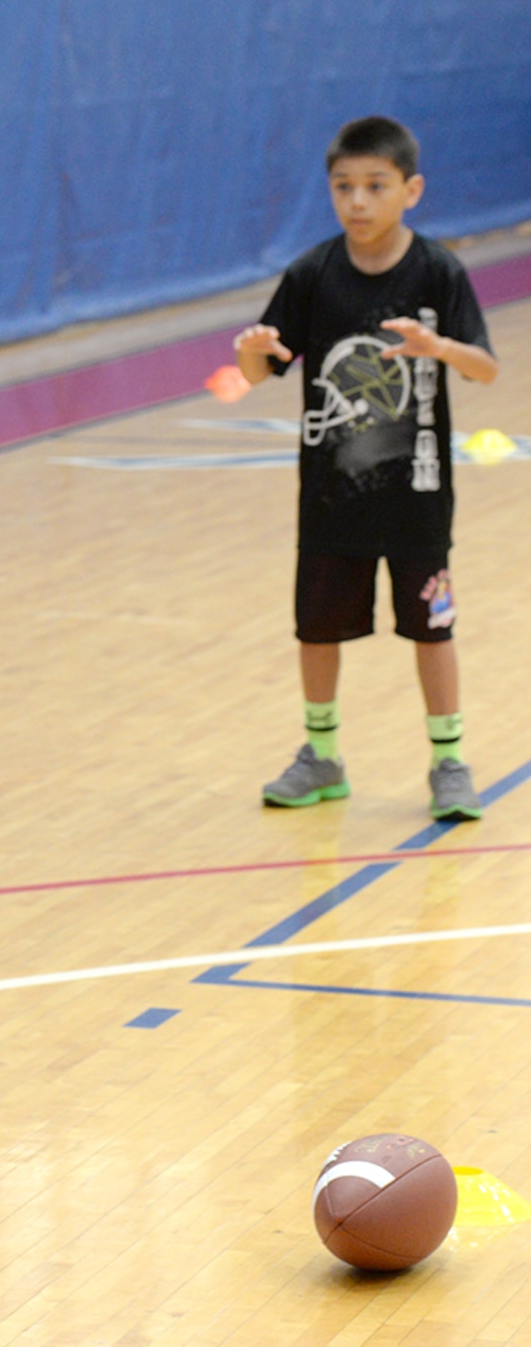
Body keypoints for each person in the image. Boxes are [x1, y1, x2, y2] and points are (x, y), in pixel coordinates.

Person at [235, 115, 498, 820]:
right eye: (343, 187)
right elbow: (256, 373)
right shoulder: (311, 275)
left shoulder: (438, 271)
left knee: (430, 630)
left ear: (410, 190)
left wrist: (437, 347)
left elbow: (487, 369)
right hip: (330, 501)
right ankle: (321, 755)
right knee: (317, 629)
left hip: (417, 498)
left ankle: (449, 761)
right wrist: (249, 350)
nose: (357, 201)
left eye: (374, 186)